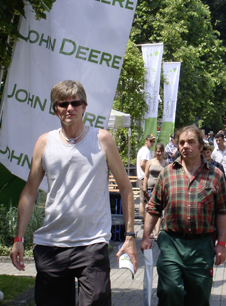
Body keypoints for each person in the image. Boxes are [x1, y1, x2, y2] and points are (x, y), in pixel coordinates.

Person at [9, 80, 138, 306]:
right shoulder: (44, 142)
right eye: (63, 104)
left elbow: (126, 187)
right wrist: (18, 238)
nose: (69, 108)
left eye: (75, 103)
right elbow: (29, 193)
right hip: (52, 244)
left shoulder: (102, 139)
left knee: (96, 302)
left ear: (84, 106)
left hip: (92, 242)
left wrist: (129, 237)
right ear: (55, 109)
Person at [141, 125, 226, 306]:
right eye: (181, 142)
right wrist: (145, 236)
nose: (185, 146)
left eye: (190, 142)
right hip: (171, 243)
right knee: (169, 291)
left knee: (199, 296)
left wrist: (221, 244)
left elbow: (222, 211)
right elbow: (154, 207)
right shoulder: (167, 174)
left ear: (200, 146)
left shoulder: (215, 175)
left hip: (201, 246)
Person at [143, 142, 167, 239]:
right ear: (155, 152)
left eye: (161, 151)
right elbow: (146, 176)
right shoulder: (150, 162)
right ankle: (150, 232)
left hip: (160, 189)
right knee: (150, 210)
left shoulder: (165, 163)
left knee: (159, 211)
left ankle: (157, 232)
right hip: (150, 189)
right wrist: (144, 188)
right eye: (157, 151)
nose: (159, 153)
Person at [138, 134, 156, 221]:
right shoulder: (146, 151)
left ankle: (143, 220)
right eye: (150, 141)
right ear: (146, 141)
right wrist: (147, 174)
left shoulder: (143, 150)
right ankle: (143, 220)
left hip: (141, 177)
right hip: (143, 178)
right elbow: (142, 164)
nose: (152, 143)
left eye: (153, 141)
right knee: (143, 201)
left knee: (144, 201)